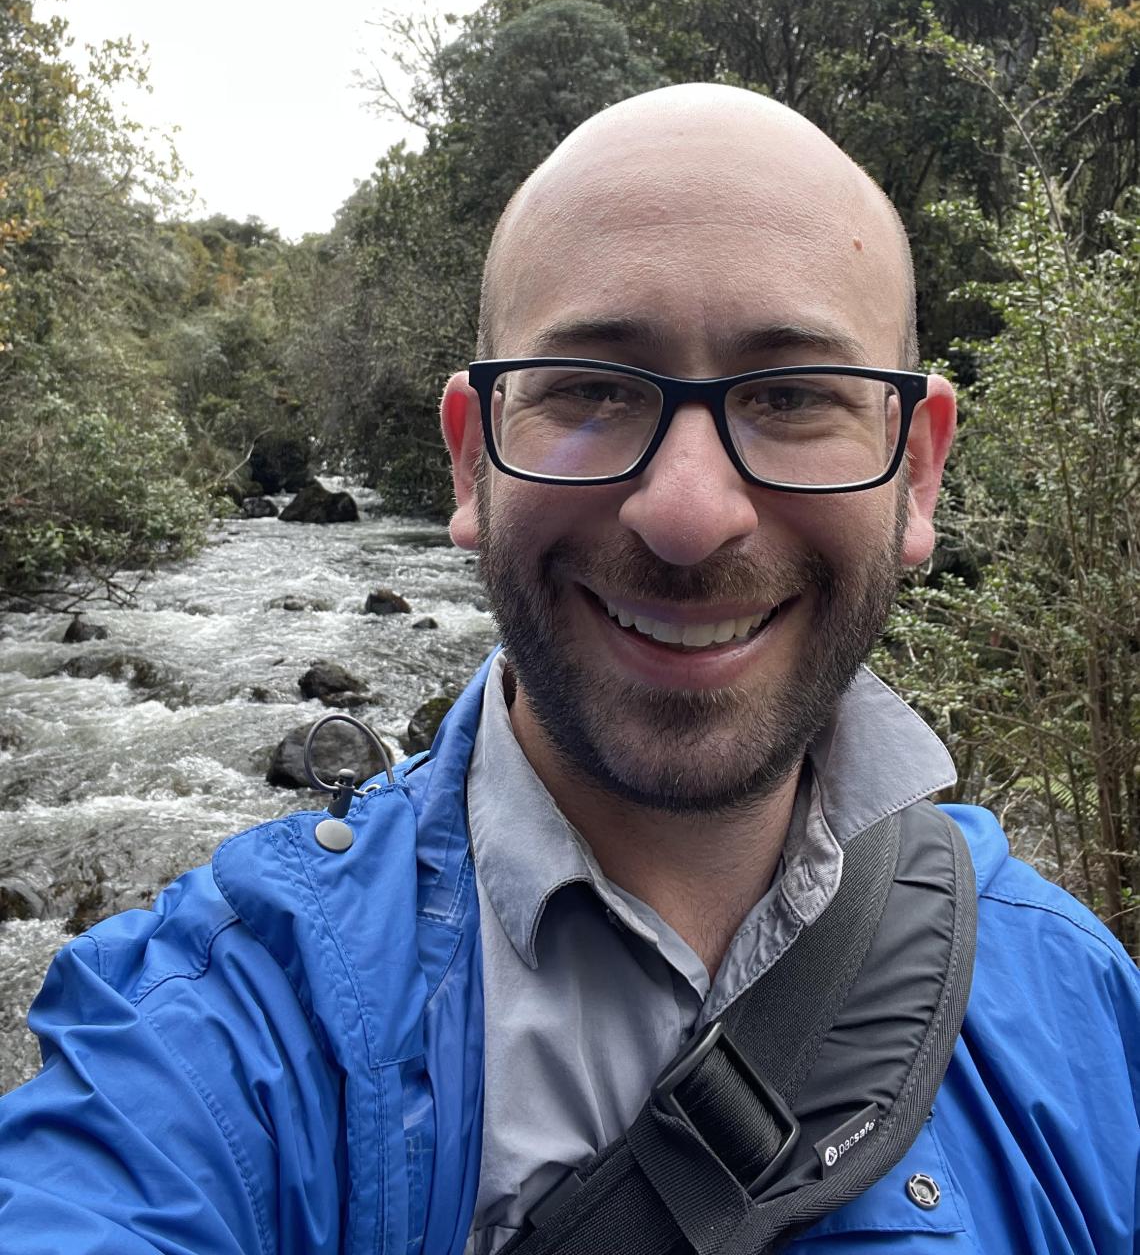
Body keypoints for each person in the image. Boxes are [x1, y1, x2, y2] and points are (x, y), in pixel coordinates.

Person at [0, 84, 1136, 1254]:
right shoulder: (221, 1030)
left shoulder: (1077, 1006)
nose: (688, 514)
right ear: (469, 460)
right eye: (592, 388)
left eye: (794, 396)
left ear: (919, 470)